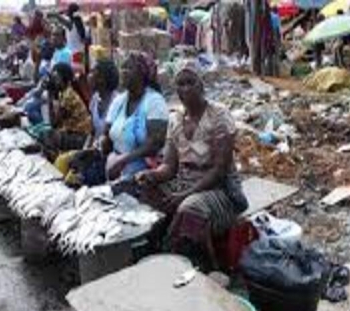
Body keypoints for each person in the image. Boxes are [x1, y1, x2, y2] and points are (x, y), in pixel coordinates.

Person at [135, 66, 248, 270]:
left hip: (219, 190)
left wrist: (184, 195)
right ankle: (154, 246)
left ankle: (198, 264)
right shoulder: (175, 119)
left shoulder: (219, 116)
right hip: (185, 183)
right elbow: (169, 166)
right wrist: (151, 174)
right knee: (143, 189)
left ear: (201, 85)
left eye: (190, 82)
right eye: (181, 83)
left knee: (190, 207)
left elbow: (219, 170)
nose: (185, 88)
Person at [101, 52, 168, 181]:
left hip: (144, 173)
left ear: (142, 74)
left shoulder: (154, 101)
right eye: (122, 67)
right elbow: (106, 133)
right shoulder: (119, 101)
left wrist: (123, 160)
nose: (123, 72)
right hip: (115, 167)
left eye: (129, 68)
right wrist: (102, 143)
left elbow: (154, 144)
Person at [54, 59, 120, 186]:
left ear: (102, 79)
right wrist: (83, 151)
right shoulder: (95, 99)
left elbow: (111, 142)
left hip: (108, 155)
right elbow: (92, 132)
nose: (88, 76)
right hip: (94, 150)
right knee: (62, 161)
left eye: (92, 73)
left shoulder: (116, 103)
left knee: (73, 178)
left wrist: (87, 154)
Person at [47, 62, 92, 154]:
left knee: (49, 136)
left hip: (81, 137)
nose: (53, 81)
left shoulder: (68, 95)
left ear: (64, 78)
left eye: (56, 78)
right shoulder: (64, 92)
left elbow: (54, 123)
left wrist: (49, 95)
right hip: (75, 132)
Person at [51, 3, 88, 73]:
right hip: (80, 52)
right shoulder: (81, 24)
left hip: (73, 53)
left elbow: (59, 18)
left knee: (73, 74)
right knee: (80, 74)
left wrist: (54, 14)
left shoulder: (71, 24)